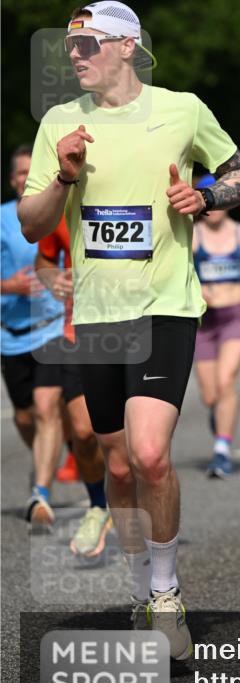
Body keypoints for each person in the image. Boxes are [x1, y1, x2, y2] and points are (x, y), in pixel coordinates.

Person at [19, 0, 240, 658]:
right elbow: (33, 226)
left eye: (89, 44)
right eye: (70, 47)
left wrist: (205, 196)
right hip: (98, 314)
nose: (76, 55)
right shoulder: (60, 122)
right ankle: (139, 589)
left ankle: (168, 594)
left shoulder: (182, 109)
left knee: (150, 454)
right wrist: (64, 175)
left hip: (165, 306)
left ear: (127, 46)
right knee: (118, 465)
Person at [35, 215, 111, 556]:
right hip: (77, 332)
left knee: (135, 440)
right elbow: (44, 259)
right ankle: (98, 506)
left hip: (137, 330)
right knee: (83, 432)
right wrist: (52, 278)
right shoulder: (64, 207)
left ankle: (133, 506)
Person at [1, 144, 66, 529]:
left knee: (46, 407)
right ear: (13, 180)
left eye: (32, 170)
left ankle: (41, 491)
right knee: (25, 417)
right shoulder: (3, 219)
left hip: (52, 328)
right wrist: (8, 286)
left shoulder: (60, 210)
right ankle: (46, 454)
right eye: (21, 173)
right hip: (11, 335)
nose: (27, 178)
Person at [192, 174, 240, 477]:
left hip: (235, 316)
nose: (214, 207)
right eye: (207, 198)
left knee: (226, 381)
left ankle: (222, 450)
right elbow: (176, 273)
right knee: (209, 395)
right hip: (204, 323)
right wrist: (195, 288)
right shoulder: (190, 236)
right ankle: (220, 415)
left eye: (218, 198)